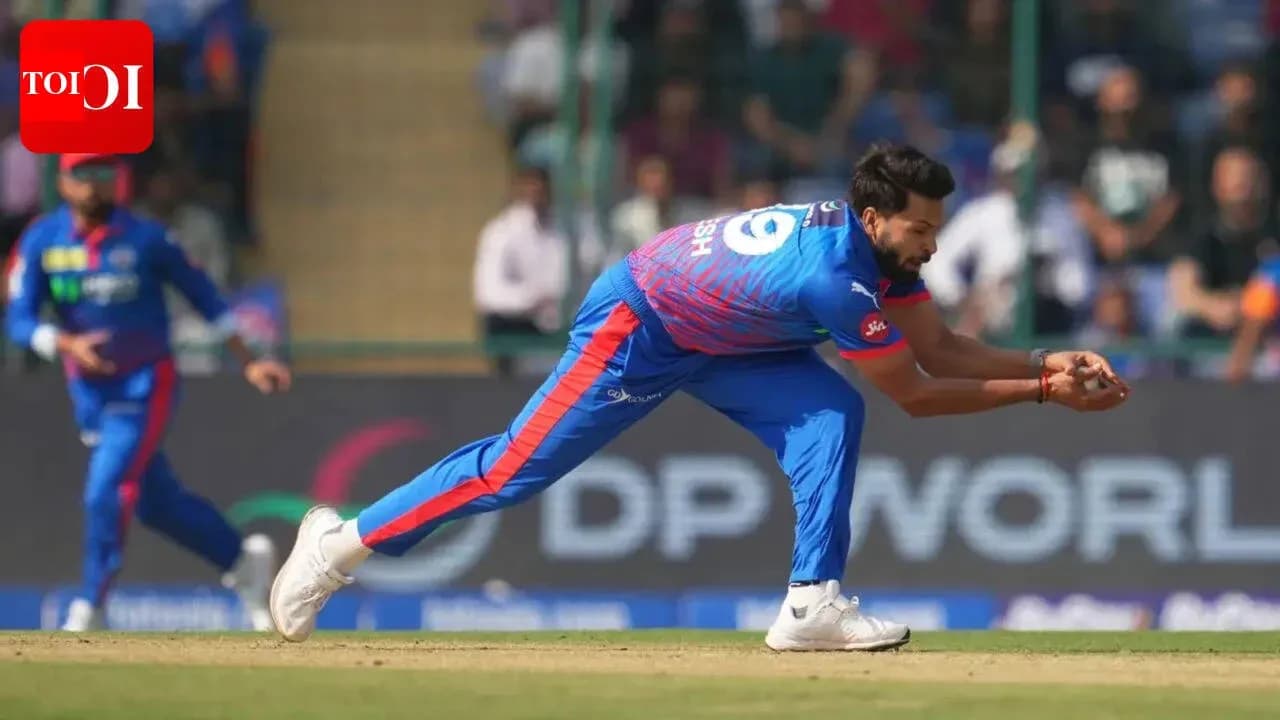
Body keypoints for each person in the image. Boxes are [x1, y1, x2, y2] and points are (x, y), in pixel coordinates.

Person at [269, 145, 1128, 651]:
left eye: (940, 229)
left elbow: (939, 345)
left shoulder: (878, 255)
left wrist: (1048, 357)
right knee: (514, 471)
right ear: (873, 219)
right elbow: (920, 392)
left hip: (731, 335)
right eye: (920, 230)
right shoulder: (837, 277)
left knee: (833, 413)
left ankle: (809, 605)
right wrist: (1045, 393)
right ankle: (338, 543)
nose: (933, 246)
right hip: (642, 321)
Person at [4, 153, 293, 632]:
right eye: (84, 175)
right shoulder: (42, 240)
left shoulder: (147, 238)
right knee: (155, 502)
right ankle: (241, 560)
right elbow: (19, 319)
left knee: (106, 486)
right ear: (63, 182)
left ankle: (92, 603)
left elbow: (206, 298)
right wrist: (63, 342)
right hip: (90, 392)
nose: (95, 185)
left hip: (145, 384)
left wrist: (250, 360)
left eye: (104, 174)